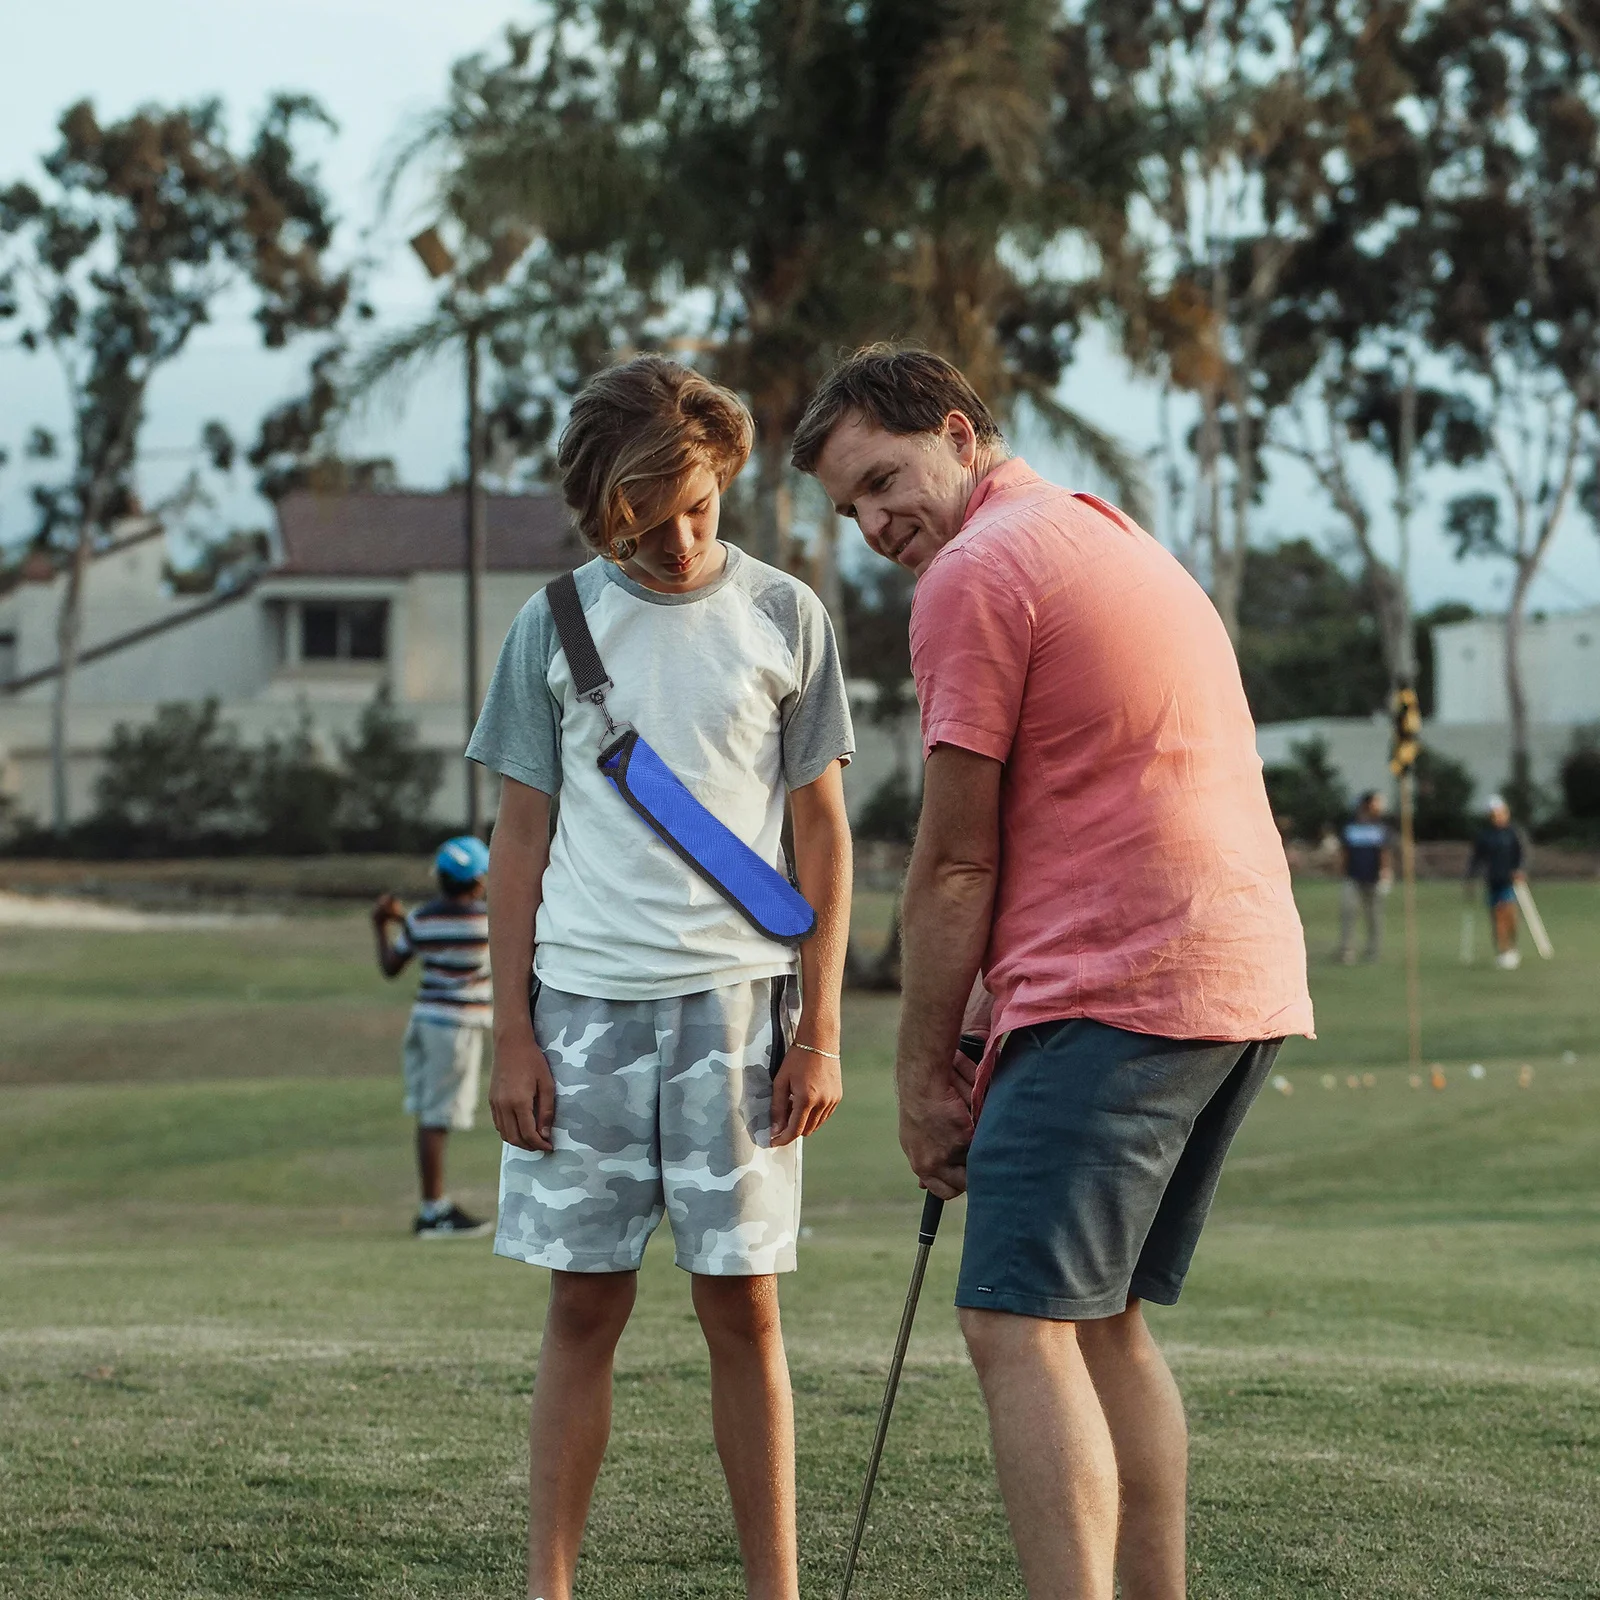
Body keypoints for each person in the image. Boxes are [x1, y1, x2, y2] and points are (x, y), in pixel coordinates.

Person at [793, 344, 1314, 1600]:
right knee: (1097, 1319)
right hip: (1232, 979)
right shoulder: (1101, 532)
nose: (872, 524)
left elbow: (956, 860)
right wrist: (983, 1005)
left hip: (1121, 984)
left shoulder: (975, 570)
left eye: (883, 479)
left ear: (960, 435)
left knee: (1014, 1322)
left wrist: (921, 1074)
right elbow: (1083, 800)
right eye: (848, 507)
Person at [466, 355, 854, 1600]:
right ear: (602, 499)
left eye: (701, 505)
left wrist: (822, 1030)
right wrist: (510, 1037)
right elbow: (517, 843)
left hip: (740, 1015)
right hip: (578, 1015)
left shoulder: (787, 616)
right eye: (651, 510)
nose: (682, 537)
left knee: (744, 1315)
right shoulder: (551, 624)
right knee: (583, 1310)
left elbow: (824, 836)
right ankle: (551, 1586)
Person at [372, 836, 495, 1239]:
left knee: (432, 1115)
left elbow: (393, 965)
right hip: (456, 1027)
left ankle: (433, 1208)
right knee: (438, 1117)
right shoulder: (487, 921)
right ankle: (433, 1212)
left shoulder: (423, 919)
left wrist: (383, 924)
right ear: (478, 882)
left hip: (426, 1021)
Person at [1467, 794, 1525, 970]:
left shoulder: (1513, 833)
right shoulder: (1485, 836)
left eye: (1501, 812)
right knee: (1498, 916)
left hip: (1510, 881)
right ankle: (1503, 951)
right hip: (1493, 881)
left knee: (1511, 917)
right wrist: (1470, 880)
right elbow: (1476, 859)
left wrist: (1520, 870)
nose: (1498, 816)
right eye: (1494, 814)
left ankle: (1513, 947)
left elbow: (1521, 854)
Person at [1338, 790, 1393, 963]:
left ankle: (1373, 951)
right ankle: (1347, 951)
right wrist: (1343, 870)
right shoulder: (1351, 826)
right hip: (1353, 877)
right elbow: (1345, 851)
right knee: (1349, 914)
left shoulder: (1380, 827)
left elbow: (1384, 851)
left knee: (1374, 916)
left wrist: (1385, 872)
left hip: (1374, 878)